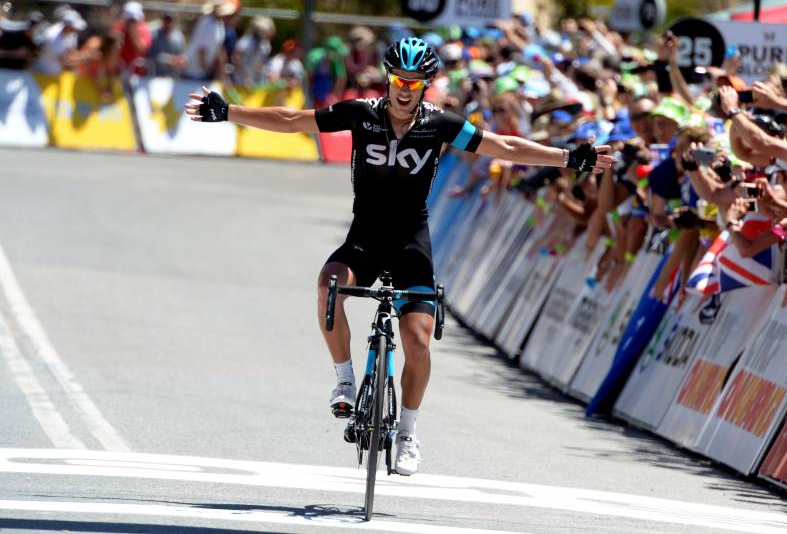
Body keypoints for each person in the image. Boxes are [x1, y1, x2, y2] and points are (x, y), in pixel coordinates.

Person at [184, 36, 612, 476]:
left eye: (414, 82)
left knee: (418, 341)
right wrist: (228, 111)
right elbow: (294, 119)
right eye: (398, 80)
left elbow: (501, 146)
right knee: (328, 285)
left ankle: (407, 432)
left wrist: (566, 158)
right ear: (388, 79)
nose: (404, 89)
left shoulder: (441, 123)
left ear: (426, 85)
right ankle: (345, 381)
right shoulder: (360, 113)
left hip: (411, 240)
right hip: (366, 236)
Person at [146, 13, 187, 77]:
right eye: (166, 20)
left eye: (169, 21)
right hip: (157, 76)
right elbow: (151, 55)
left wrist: (181, 61)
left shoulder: (179, 37)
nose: (168, 23)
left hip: (174, 78)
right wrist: (168, 60)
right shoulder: (155, 36)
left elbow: (182, 55)